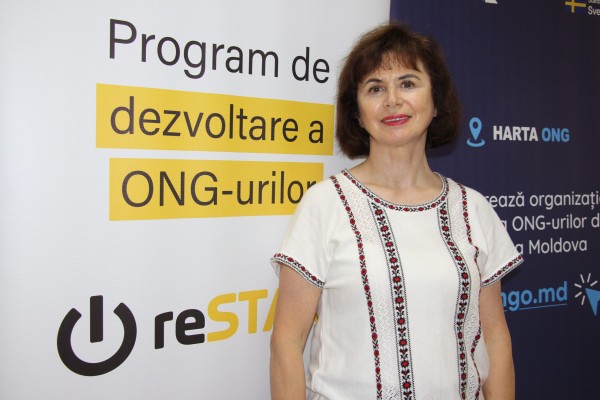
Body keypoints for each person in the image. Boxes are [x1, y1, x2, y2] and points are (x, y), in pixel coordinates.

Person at [270, 22, 523, 400]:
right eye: (375, 88)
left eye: (407, 83)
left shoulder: (473, 208)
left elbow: (496, 339)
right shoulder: (325, 204)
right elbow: (287, 343)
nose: (392, 100)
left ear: (436, 101)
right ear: (357, 113)